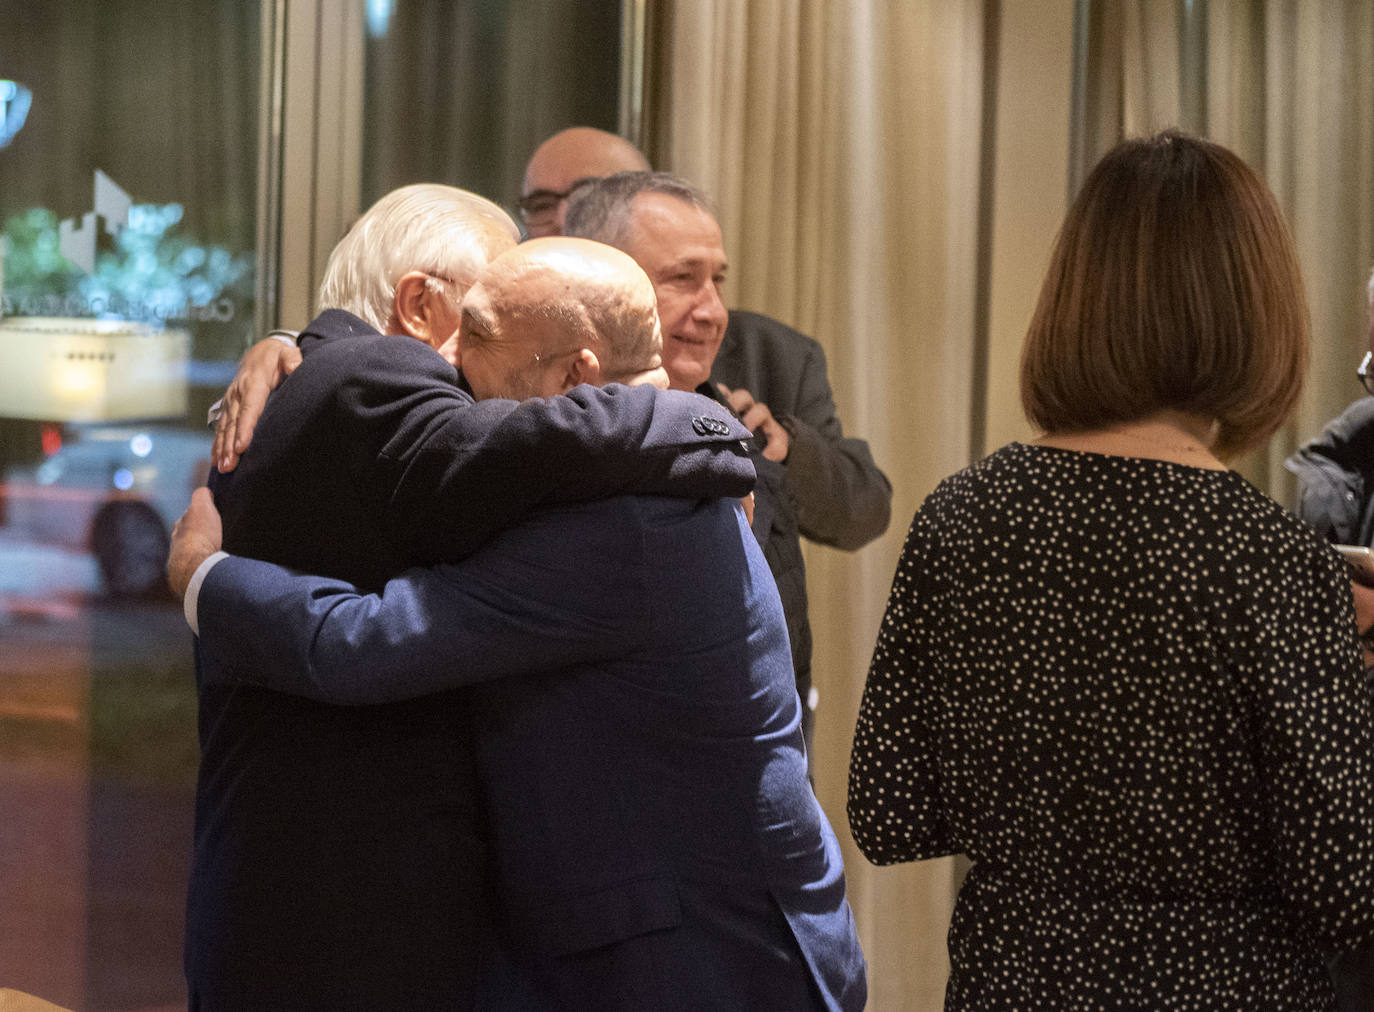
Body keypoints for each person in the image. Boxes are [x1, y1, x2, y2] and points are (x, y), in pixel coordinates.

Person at [169, 235, 867, 1011]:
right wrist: (296, 343)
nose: (449, 363)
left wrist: (205, 577)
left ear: (578, 376)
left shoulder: (624, 525)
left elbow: (362, 645)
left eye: (479, 344)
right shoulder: (656, 469)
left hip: (700, 967)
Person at [848, 131, 1374, 1008]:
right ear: (1257, 317)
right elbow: (1345, 883)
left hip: (1010, 982)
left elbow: (890, 810)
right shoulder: (1275, 560)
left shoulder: (962, 517)